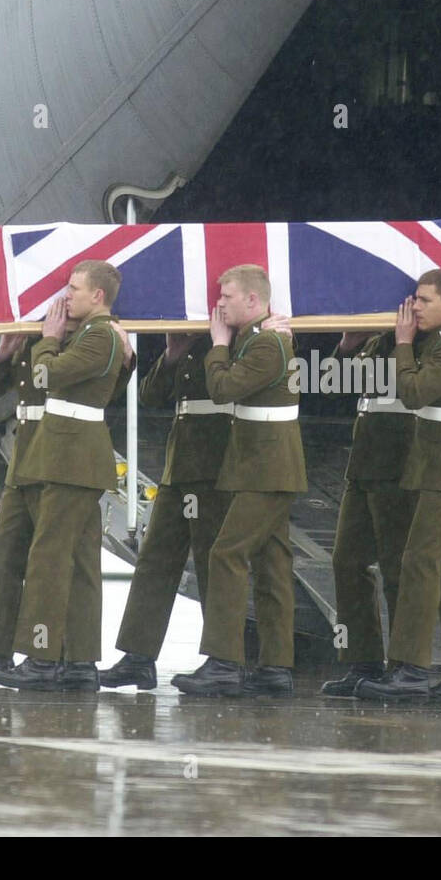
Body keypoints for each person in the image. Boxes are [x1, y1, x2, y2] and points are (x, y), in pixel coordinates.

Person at [98, 314, 292, 691]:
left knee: (212, 561)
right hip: (181, 463)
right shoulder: (191, 340)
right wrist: (172, 355)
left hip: (216, 464)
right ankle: (139, 655)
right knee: (156, 559)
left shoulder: (244, 338)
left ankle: (224, 658)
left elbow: (230, 389)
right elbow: (150, 396)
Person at [0, 309, 132, 685]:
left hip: (65, 454)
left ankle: (75, 660)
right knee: (2, 552)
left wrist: (122, 360)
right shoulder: (35, 331)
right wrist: (3, 353)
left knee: (71, 559)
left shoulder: (91, 334)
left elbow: (108, 386)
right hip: (28, 452)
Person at [321, 325, 441, 697]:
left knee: (400, 568)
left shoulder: (436, 341)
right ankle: (364, 658)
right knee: (346, 562)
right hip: (367, 460)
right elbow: (335, 385)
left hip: (404, 462)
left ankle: (404, 666)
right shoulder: (376, 340)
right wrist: (347, 345)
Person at [0, 260, 132, 691]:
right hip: (71, 458)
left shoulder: (100, 335)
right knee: (80, 562)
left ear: (98, 297)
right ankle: (80, 664)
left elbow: (46, 375)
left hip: (71, 460)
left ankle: (42, 657)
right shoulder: (97, 334)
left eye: (73, 289)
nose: (65, 296)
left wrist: (48, 340)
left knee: (48, 558)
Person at [355, 269, 441, 703]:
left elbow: (413, 393)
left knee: (419, 560)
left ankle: (412, 669)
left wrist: (400, 343)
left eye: (425, 300)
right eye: (415, 298)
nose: (415, 307)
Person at [171, 265, 307, 697]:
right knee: (272, 564)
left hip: (267, 469)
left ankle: (225, 663)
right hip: (261, 466)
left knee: (226, 554)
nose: (220, 302)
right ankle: (275, 667)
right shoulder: (264, 337)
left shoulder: (267, 343)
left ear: (253, 300)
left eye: (227, 296)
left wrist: (217, 346)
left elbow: (224, 388)